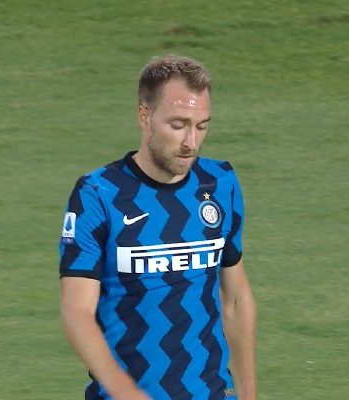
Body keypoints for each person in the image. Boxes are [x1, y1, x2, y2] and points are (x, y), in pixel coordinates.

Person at [58, 55, 257, 400]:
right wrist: (128, 394)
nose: (191, 142)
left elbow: (236, 299)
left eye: (201, 126)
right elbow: (77, 313)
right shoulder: (98, 194)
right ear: (144, 116)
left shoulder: (220, 183)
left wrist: (248, 395)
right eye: (178, 125)